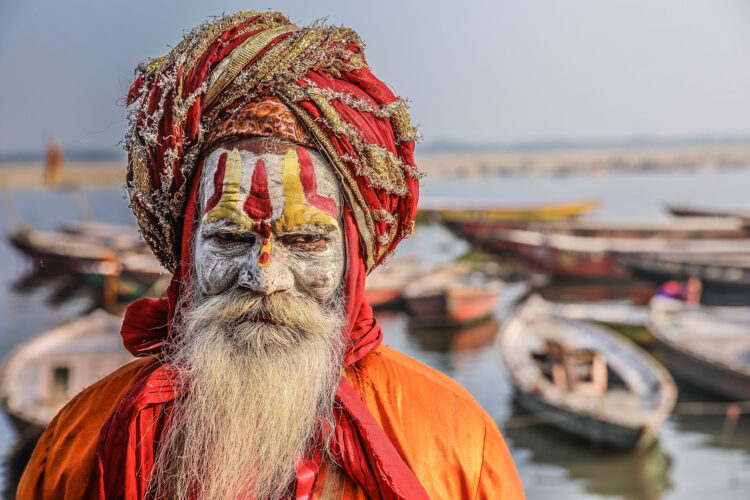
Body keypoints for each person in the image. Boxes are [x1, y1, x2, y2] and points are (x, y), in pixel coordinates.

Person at [17, 12, 524, 500]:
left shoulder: (455, 440)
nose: (264, 278)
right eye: (230, 239)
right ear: (185, 253)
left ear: (353, 256)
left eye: (305, 241)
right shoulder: (78, 442)